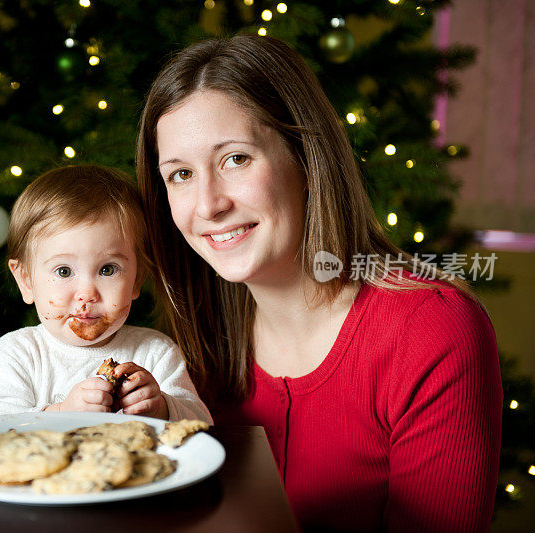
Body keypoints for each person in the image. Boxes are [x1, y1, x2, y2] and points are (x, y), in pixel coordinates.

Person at [137, 34, 501, 532]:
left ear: (306, 160)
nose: (208, 205)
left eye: (236, 159)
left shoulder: (432, 329)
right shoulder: (184, 353)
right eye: (179, 174)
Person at [0, 165, 212, 424]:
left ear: (136, 279)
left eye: (107, 269)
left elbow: (204, 429)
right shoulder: (15, 356)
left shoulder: (156, 353)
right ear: (26, 280)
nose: (87, 294)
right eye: (63, 271)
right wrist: (61, 415)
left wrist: (162, 408)